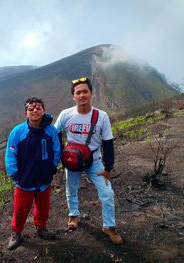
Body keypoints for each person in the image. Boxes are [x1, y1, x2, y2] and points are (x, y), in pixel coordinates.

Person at [54, 77, 123, 245]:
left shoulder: (101, 116)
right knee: (71, 189)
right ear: (73, 96)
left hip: (95, 159)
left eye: (85, 91)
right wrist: (60, 156)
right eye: (78, 92)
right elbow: (55, 135)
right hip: (72, 160)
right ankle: (74, 215)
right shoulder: (66, 114)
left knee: (107, 193)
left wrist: (108, 167)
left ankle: (109, 226)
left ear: (91, 93)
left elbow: (108, 142)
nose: (82, 95)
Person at [5, 96, 61, 250]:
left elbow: (57, 149)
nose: (35, 110)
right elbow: (10, 154)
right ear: (26, 113)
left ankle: (41, 228)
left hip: (44, 178)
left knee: (43, 206)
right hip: (24, 180)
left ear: (43, 110)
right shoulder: (17, 132)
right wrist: (15, 174)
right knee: (21, 208)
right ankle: (16, 233)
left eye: (38, 108)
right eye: (31, 109)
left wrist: (52, 167)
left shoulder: (51, 130)